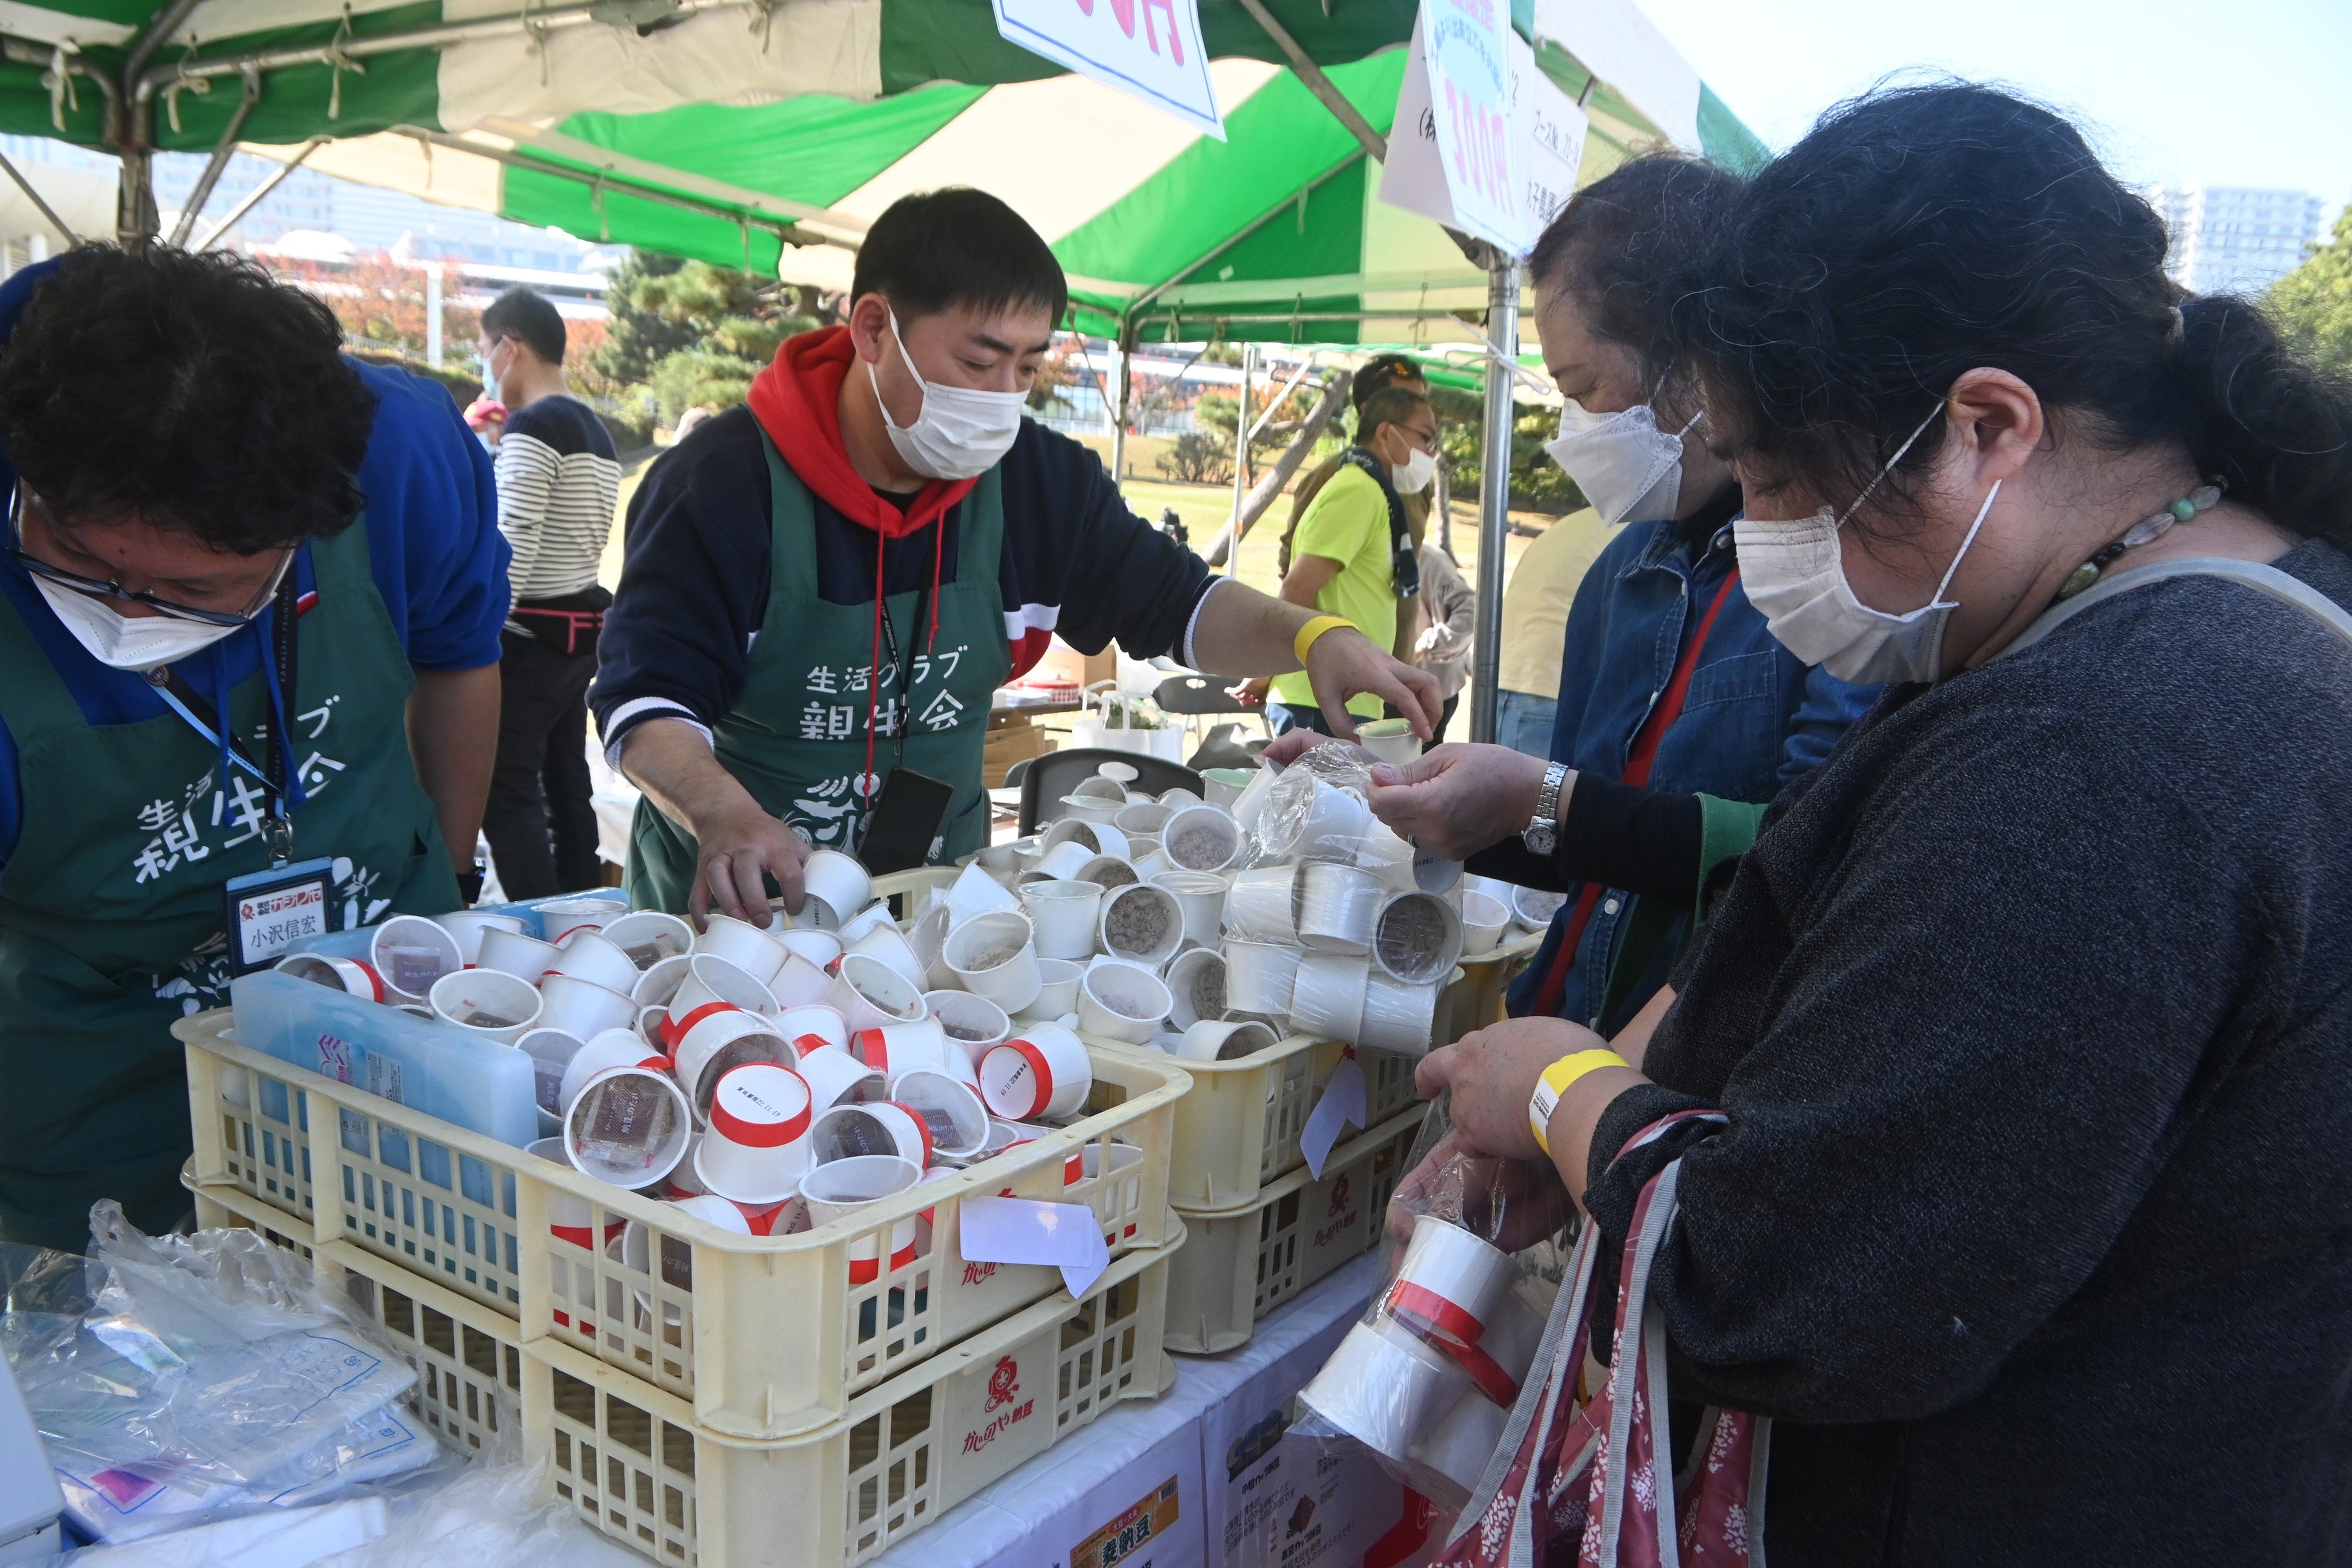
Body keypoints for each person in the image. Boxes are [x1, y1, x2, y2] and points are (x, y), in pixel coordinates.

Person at [1414, 83, 2352, 1561]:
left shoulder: (2100, 750)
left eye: (1784, 486)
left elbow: (1784, 1285)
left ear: (1986, 426)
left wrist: (1560, 1088)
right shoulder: (2255, 620)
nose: (1766, 540)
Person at [594, 187, 1435, 922]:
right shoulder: (723, 485)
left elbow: (1175, 601)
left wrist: (1311, 637)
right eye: (977, 361)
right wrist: (720, 813)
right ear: (875, 328)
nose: (1001, 401)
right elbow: (645, 703)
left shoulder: (1038, 483)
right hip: (734, 910)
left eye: (1027, 369)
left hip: (929, 899)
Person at [1298, 155, 1879, 1037]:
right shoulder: (1621, 577)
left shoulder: (1828, 578)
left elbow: (1805, 858)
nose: (1577, 433)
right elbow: (1583, 845)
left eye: (1582, 391)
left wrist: (1545, 799)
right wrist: (1391, 793)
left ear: (1699, 368)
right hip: (1562, 1019)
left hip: (1676, 1069)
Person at [0, 245, 507, 1248]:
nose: (130, 610)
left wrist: (440, 877)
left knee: (419, 1249)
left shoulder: (401, 458)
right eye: (84, 563)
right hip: (97, 1053)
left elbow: (460, 660)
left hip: (374, 979)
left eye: (193, 592)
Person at [477, 287, 621, 900]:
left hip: (530, 634)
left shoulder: (533, 425)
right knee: (567, 781)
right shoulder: (597, 428)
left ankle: (538, 921)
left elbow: (514, 536)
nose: (484, 365)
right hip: (581, 628)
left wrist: (483, 631)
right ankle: (584, 911)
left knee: (506, 786)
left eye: (485, 350)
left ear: (510, 348)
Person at [1262, 384, 1440, 737]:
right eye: (1426, 439)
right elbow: (1298, 586)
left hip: (1342, 698)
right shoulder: (1358, 490)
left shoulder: (1374, 491)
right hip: (1319, 700)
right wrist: (1264, 669)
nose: (1431, 453)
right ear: (1386, 433)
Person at [1491, 506, 1608, 756]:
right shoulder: (1644, 531)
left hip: (1500, 684)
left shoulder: (1570, 524)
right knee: (1536, 796)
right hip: (1552, 691)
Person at [1410, 539, 1475, 742]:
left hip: (1428, 689)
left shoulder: (1427, 558)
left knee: (1416, 768)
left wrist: (1426, 645)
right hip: (1381, 686)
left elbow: (1470, 611)